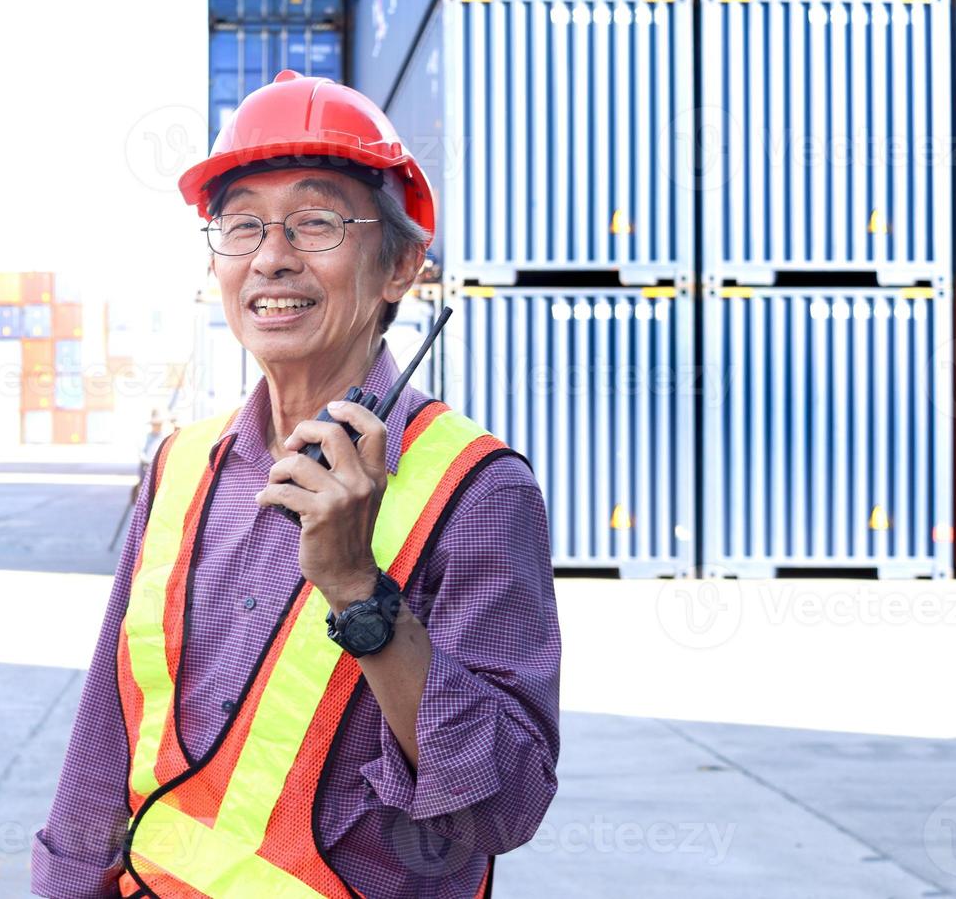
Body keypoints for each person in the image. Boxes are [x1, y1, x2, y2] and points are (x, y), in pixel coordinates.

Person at [33, 70, 560, 897]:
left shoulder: (477, 489)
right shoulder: (180, 466)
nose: (272, 257)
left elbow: (504, 807)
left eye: (316, 221)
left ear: (401, 266)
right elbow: (109, 730)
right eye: (241, 226)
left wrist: (360, 593)